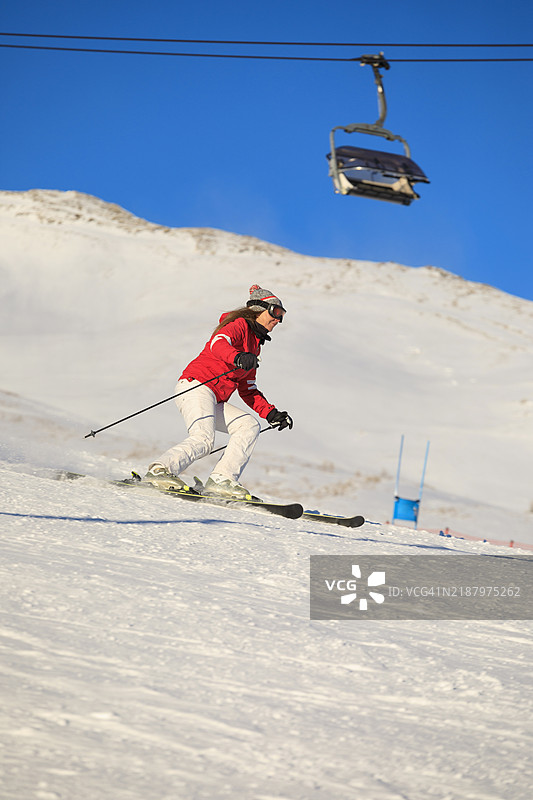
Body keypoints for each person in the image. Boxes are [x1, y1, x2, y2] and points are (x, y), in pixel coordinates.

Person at [145, 285, 293, 500]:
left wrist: (271, 413)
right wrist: (237, 357)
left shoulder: (255, 347)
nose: (278, 320)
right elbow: (218, 343)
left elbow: (248, 389)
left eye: (282, 315)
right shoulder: (238, 325)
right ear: (258, 309)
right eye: (276, 312)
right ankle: (159, 471)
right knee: (204, 439)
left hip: (215, 398)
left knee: (249, 426)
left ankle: (222, 480)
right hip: (196, 386)